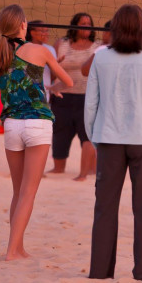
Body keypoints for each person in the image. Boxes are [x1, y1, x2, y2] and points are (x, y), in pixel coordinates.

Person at [0, 4, 73, 261]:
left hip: (11, 127)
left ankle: (17, 247)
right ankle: (11, 252)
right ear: (22, 25)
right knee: (28, 193)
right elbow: (70, 81)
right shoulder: (39, 51)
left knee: (18, 192)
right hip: (37, 123)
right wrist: (51, 87)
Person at [85, 4, 142, 281]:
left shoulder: (101, 58)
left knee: (105, 207)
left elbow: (91, 105)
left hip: (109, 139)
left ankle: (100, 271)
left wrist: (95, 138)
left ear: (115, 28)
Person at [49, 12, 101, 180]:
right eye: (82, 23)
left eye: (89, 23)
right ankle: (58, 168)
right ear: (74, 26)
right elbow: (51, 73)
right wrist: (55, 65)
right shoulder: (61, 44)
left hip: (87, 97)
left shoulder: (97, 47)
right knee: (60, 134)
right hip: (62, 97)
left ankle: (87, 171)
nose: (86, 26)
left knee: (88, 135)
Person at [25, 20, 57, 101]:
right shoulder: (24, 48)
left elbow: (53, 76)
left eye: (47, 31)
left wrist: (55, 67)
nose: (46, 33)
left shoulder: (50, 49)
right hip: (26, 95)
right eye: (43, 31)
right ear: (32, 33)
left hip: (44, 96)